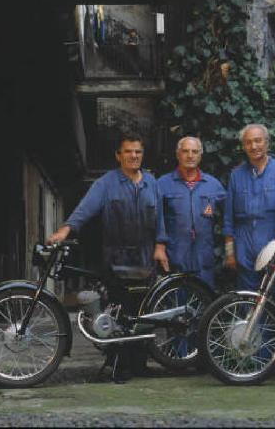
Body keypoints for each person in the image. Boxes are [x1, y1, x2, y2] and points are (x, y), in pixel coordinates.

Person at [46, 132, 168, 380]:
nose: (134, 156)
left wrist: (160, 246)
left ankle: (139, 364)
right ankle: (118, 364)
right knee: (118, 311)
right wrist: (65, 230)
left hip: (145, 258)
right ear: (118, 155)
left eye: (138, 152)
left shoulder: (152, 183)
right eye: (128, 151)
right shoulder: (105, 184)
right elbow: (85, 210)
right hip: (116, 258)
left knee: (142, 313)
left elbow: (160, 219)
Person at [223, 124, 275, 382]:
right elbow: (228, 217)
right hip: (245, 247)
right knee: (251, 307)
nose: (254, 146)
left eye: (258, 141)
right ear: (243, 146)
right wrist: (230, 251)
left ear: (267, 143)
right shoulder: (237, 176)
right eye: (249, 142)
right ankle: (261, 361)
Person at [157, 136, 226, 289]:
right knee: (176, 304)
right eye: (185, 151)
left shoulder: (213, 185)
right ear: (177, 154)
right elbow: (155, 219)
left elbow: (229, 216)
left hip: (204, 257)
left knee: (204, 301)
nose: (190, 155)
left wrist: (227, 245)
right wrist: (159, 246)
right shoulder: (162, 184)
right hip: (175, 255)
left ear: (200, 155)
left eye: (195, 151)